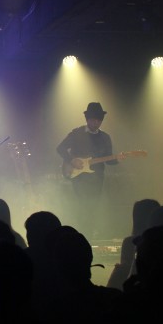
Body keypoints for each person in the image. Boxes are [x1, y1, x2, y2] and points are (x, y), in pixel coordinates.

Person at [56, 102, 121, 238]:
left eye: (99, 120)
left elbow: (108, 159)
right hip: (79, 177)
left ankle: (90, 235)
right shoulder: (77, 133)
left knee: (93, 207)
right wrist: (71, 160)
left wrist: (118, 159)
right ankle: (80, 234)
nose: (96, 123)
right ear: (87, 119)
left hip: (97, 178)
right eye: (93, 120)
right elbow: (60, 148)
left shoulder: (105, 137)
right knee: (81, 206)